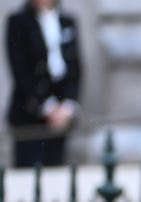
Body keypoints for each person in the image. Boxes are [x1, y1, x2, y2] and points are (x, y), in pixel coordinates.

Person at [5, 0, 81, 168]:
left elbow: (75, 67)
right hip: (29, 115)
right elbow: (20, 70)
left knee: (54, 175)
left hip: (61, 118)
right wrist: (48, 107)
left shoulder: (67, 22)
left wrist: (68, 105)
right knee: (29, 175)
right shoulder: (18, 22)